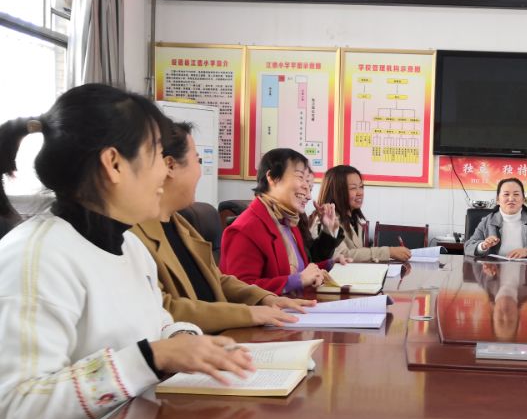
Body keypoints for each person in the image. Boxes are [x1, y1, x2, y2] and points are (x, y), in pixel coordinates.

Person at [0, 84, 267, 419]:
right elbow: (14, 410)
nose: (168, 171)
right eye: (158, 155)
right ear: (114, 163)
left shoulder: (127, 247)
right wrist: (152, 357)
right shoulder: (36, 258)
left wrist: (190, 343)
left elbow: (161, 327)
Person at [133, 123, 315, 333]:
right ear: (170, 166)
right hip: (199, 342)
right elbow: (163, 309)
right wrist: (248, 313)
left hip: (220, 336)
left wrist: (265, 298)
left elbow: (217, 279)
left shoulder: (179, 223)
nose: (201, 172)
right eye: (198, 161)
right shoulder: (132, 235)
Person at [220, 148, 333, 293]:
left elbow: (301, 271)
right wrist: (297, 280)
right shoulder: (245, 229)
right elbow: (240, 290)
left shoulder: (288, 221)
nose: (308, 194)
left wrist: (330, 265)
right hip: (274, 307)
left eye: (308, 181)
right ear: (272, 178)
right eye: (300, 177)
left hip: (295, 304)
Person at [310, 164, 411, 263]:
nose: (360, 193)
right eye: (353, 188)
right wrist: (388, 252)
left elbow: (357, 254)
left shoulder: (354, 220)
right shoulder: (325, 220)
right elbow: (341, 254)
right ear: (337, 191)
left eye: (361, 187)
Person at [463, 177, 527, 260]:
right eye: (506, 194)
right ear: (498, 200)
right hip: (494, 273)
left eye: (516, 194)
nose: (511, 198)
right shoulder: (488, 221)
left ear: (523, 199)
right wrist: (483, 246)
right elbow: (468, 247)